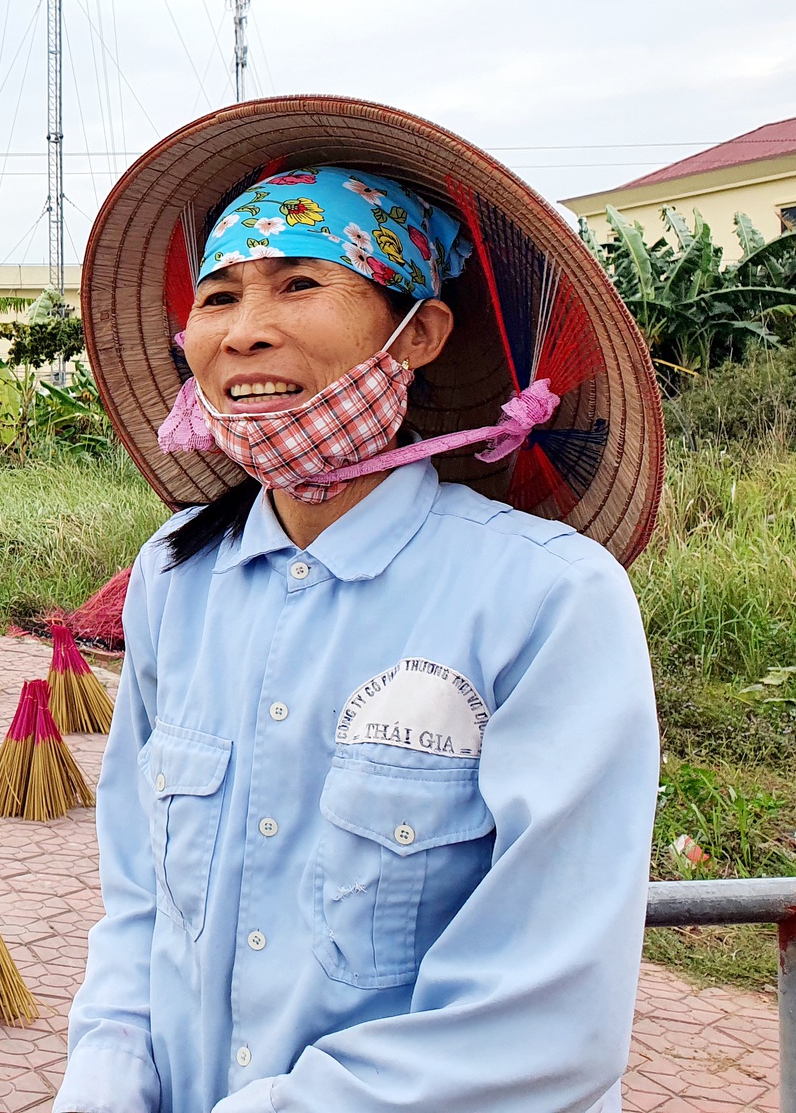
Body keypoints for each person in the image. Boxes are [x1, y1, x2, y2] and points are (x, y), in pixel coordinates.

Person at [60, 97, 666, 1113]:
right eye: (217, 297)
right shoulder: (175, 577)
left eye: (300, 284)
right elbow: (139, 902)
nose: (243, 332)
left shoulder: (546, 599)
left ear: (418, 333)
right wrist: (105, 1083)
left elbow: (541, 1018)